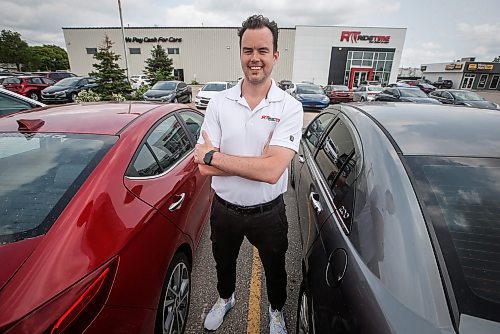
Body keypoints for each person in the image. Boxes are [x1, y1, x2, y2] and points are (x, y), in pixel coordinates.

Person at [193, 14, 303, 334]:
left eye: (262, 51)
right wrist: (257, 160)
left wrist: (217, 155)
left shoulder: (289, 107)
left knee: (275, 269)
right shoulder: (218, 103)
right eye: (247, 50)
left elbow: (271, 172)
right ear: (240, 53)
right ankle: (225, 299)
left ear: (275, 56)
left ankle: (276, 311)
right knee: (223, 263)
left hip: (269, 213)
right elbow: (202, 166)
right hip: (224, 209)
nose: (255, 59)